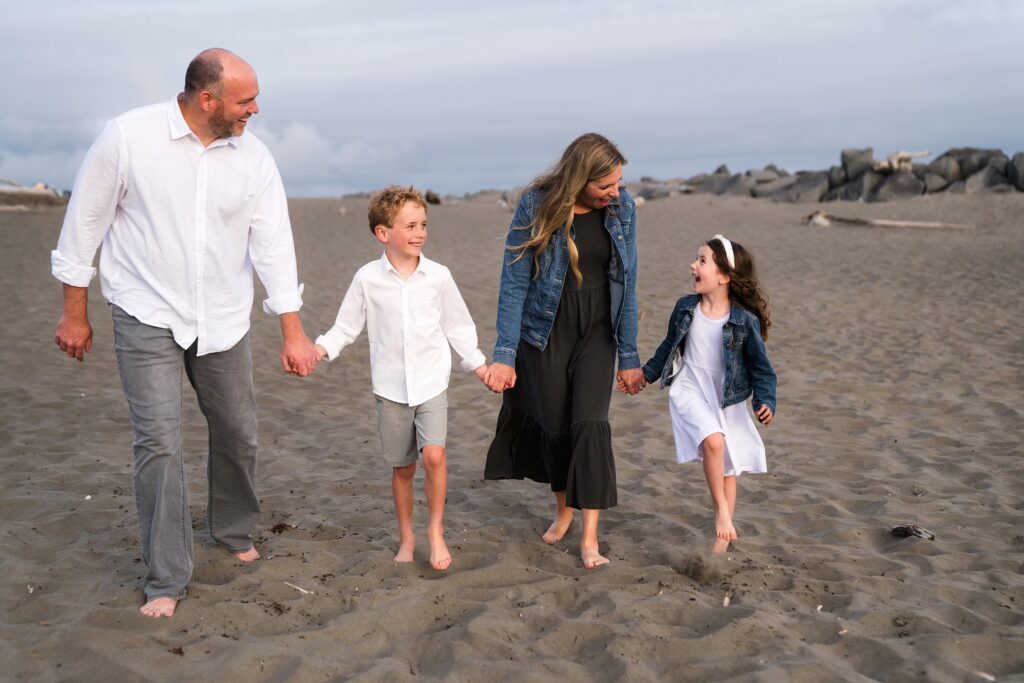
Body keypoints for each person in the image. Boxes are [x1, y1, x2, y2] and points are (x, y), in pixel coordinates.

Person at [51, 48, 320, 618]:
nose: (256, 109)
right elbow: (83, 228)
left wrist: (292, 332)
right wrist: (75, 313)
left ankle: (232, 528)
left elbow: (273, 246)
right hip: (145, 310)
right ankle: (166, 577)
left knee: (238, 430)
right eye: (245, 100)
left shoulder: (255, 158)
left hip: (223, 316)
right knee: (160, 442)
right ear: (207, 100)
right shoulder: (128, 138)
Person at [483, 133, 642, 569]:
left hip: (598, 330)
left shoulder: (623, 209)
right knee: (555, 427)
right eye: (605, 186)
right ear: (579, 178)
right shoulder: (536, 204)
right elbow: (514, 280)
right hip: (545, 329)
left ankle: (590, 538)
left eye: (618, 183)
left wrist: (628, 356)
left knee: (590, 424)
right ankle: (563, 510)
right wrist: (504, 351)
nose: (615, 193)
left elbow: (628, 283)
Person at [313, 186, 488, 570]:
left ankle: (435, 532)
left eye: (423, 224)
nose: (419, 233)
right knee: (403, 468)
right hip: (390, 388)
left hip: (431, 382)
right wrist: (319, 350)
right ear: (383, 233)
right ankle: (407, 536)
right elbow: (345, 327)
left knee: (435, 455)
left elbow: (458, 326)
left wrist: (479, 366)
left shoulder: (438, 277)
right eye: (410, 226)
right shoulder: (367, 278)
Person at [636, 235, 776, 554]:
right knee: (714, 442)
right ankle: (722, 512)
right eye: (696, 259)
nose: (693, 265)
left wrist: (765, 401)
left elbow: (762, 369)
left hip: (727, 393)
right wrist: (645, 375)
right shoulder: (686, 308)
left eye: (702, 261)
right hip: (690, 385)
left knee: (727, 464)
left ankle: (719, 544)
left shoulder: (743, 321)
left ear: (724, 277)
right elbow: (667, 348)